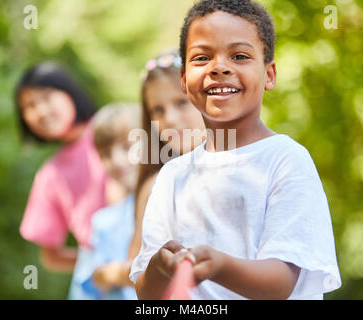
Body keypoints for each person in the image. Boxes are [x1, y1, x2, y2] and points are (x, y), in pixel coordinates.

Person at [131, 0, 341, 300]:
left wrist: (219, 266)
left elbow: (281, 283)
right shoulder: (171, 177)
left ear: (269, 75)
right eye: (202, 57)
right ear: (183, 80)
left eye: (240, 56)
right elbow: (147, 295)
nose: (219, 67)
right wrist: (160, 267)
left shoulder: (286, 160)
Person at [90, 51, 206, 292]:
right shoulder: (158, 184)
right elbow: (137, 268)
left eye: (181, 102)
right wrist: (107, 273)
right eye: (158, 110)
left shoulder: (244, 167)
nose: (170, 119)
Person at [16, 62, 108, 299]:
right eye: (29, 106)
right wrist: (98, 262)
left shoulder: (112, 130)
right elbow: (51, 256)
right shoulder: (49, 175)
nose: (41, 112)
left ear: (69, 92)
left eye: (46, 97)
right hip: (97, 287)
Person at [80, 104, 140, 300]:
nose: (116, 160)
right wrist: (114, 274)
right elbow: (93, 283)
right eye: (105, 154)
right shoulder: (104, 222)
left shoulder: (175, 203)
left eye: (127, 147)